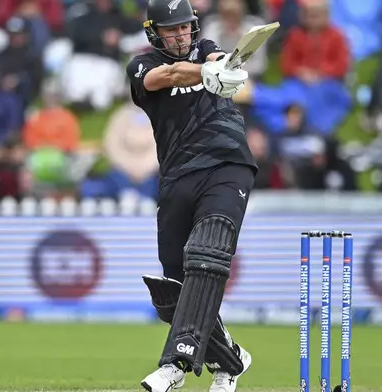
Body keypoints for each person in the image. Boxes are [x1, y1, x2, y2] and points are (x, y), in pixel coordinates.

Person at [125, 0, 257, 391]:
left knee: (208, 250)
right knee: (173, 291)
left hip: (228, 165)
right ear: (155, 33)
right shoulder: (141, 65)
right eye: (172, 30)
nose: (182, 35)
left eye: (186, 27)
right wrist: (208, 72)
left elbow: (220, 56)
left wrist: (225, 67)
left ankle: (176, 363)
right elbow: (166, 76)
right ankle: (231, 360)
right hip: (178, 176)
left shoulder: (207, 49)